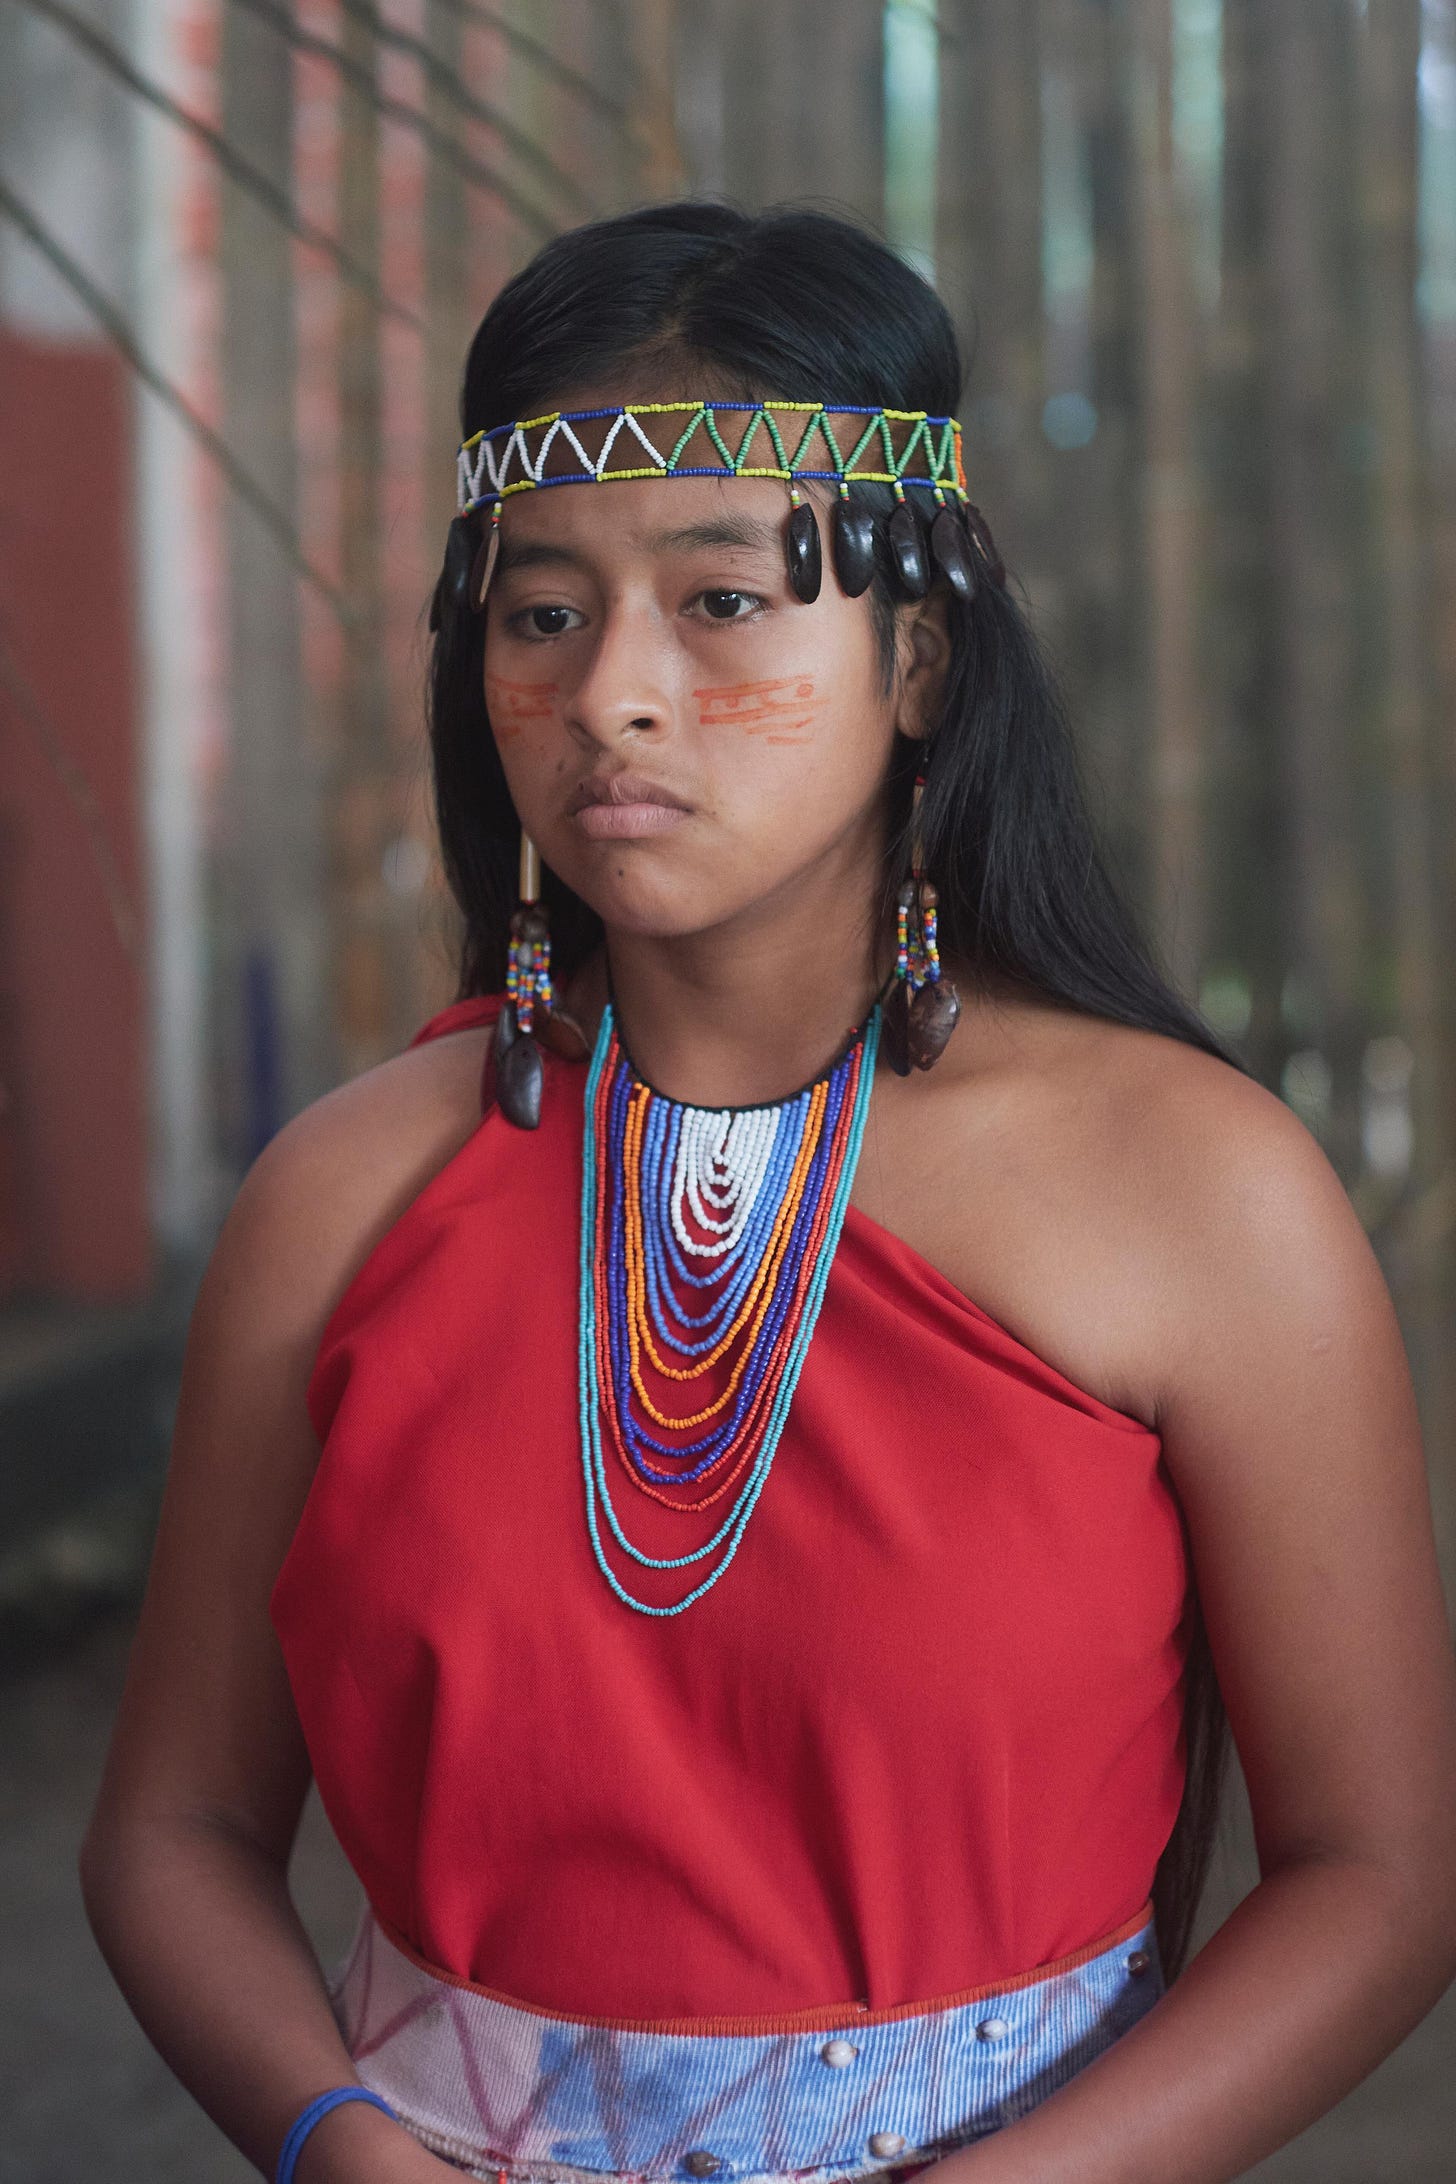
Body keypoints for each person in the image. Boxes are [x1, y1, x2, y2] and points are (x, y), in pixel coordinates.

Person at [79, 199, 1456, 2184]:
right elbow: (174, 1830)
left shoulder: (1198, 1198)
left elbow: (1381, 1875)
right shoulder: (344, 1200)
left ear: (918, 659)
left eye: (720, 600)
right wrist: (345, 2149)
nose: (610, 695)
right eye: (541, 614)